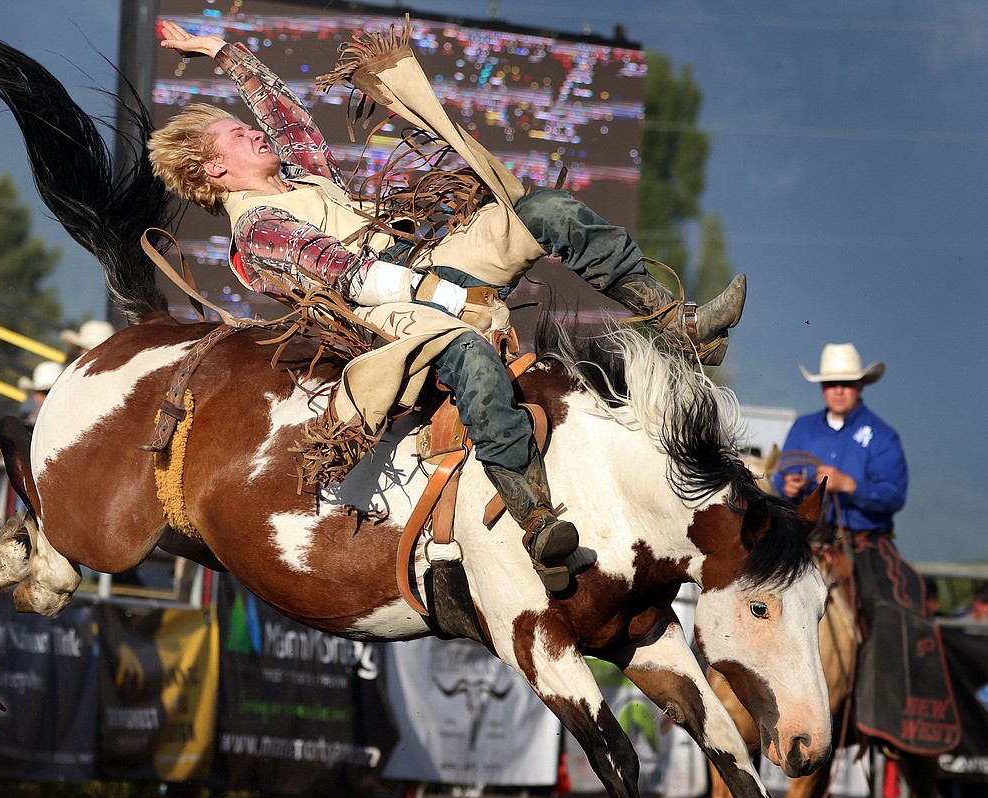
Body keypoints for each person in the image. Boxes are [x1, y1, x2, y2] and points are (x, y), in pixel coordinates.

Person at [145, 23, 746, 590]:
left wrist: (223, 52)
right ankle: (535, 518)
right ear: (215, 168)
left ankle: (675, 324)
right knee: (468, 355)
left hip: (418, 267)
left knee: (545, 214)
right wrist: (458, 299)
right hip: (378, 314)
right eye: (236, 134)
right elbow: (349, 274)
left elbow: (288, 117)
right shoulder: (256, 230)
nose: (254, 133)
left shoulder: (301, 177)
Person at [772, 343, 907, 537]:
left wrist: (850, 485)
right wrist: (788, 487)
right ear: (822, 387)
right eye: (830, 384)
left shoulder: (883, 436)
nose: (838, 391)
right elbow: (781, 476)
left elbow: (894, 496)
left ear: (860, 386)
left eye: (846, 383)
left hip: (864, 542)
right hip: (806, 537)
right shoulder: (802, 428)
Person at [16, 361, 64, 430]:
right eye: (45, 392)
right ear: (36, 394)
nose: (50, 396)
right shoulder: (27, 423)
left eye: (54, 391)